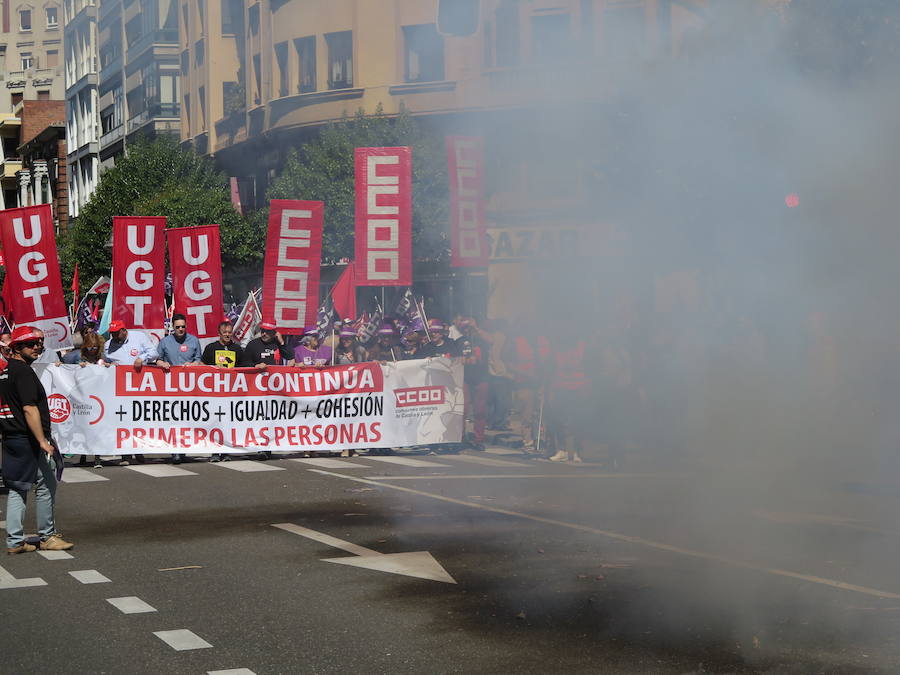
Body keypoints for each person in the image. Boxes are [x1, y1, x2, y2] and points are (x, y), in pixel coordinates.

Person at [1, 326, 73, 554]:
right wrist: (42, 440)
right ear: (17, 347)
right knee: (46, 486)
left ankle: (14, 541)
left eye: (40, 342)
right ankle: (47, 537)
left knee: (17, 489)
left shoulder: (4, 372)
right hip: (28, 440)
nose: (38, 347)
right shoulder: (23, 372)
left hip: (12, 437)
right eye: (32, 343)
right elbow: (29, 408)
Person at [103, 320, 155, 465]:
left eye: (116, 333)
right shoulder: (108, 346)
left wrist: (142, 358)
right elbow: (103, 361)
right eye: (111, 334)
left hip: (141, 385)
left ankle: (138, 449)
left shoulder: (139, 337)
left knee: (139, 418)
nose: (114, 336)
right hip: (120, 387)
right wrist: (108, 365)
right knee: (123, 419)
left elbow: (154, 352)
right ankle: (125, 454)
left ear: (124, 330)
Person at [155, 314, 202, 464]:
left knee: (186, 419)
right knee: (173, 419)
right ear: (173, 328)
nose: (181, 329)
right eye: (177, 327)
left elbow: (198, 360)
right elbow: (156, 359)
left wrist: (193, 365)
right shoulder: (164, 342)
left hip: (190, 387)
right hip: (171, 387)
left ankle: (183, 448)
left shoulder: (194, 340)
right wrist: (161, 363)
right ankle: (175, 449)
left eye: (183, 326)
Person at [547, 331, 591, 463]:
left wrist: (587, 387)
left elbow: (589, 369)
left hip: (579, 389)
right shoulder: (558, 350)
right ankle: (562, 451)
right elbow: (554, 371)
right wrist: (552, 390)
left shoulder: (583, 349)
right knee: (559, 421)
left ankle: (577, 451)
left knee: (578, 422)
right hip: (561, 389)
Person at [202, 321, 243, 462]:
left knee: (227, 423)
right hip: (213, 393)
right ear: (219, 333)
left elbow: (244, 368)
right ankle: (214, 451)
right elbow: (202, 366)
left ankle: (226, 451)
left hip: (230, 393)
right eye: (224, 332)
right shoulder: (210, 348)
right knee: (214, 422)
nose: (227, 334)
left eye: (229, 332)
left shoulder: (237, 349)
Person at [457, 318, 491, 451]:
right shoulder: (459, 341)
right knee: (463, 410)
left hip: (481, 378)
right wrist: (462, 360)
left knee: (480, 411)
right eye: (465, 328)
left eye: (469, 328)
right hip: (465, 379)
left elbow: (491, 340)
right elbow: (454, 358)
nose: (468, 331)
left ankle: (479, 439)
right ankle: (460, 438)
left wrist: (476, 328)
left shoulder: (482, 340)